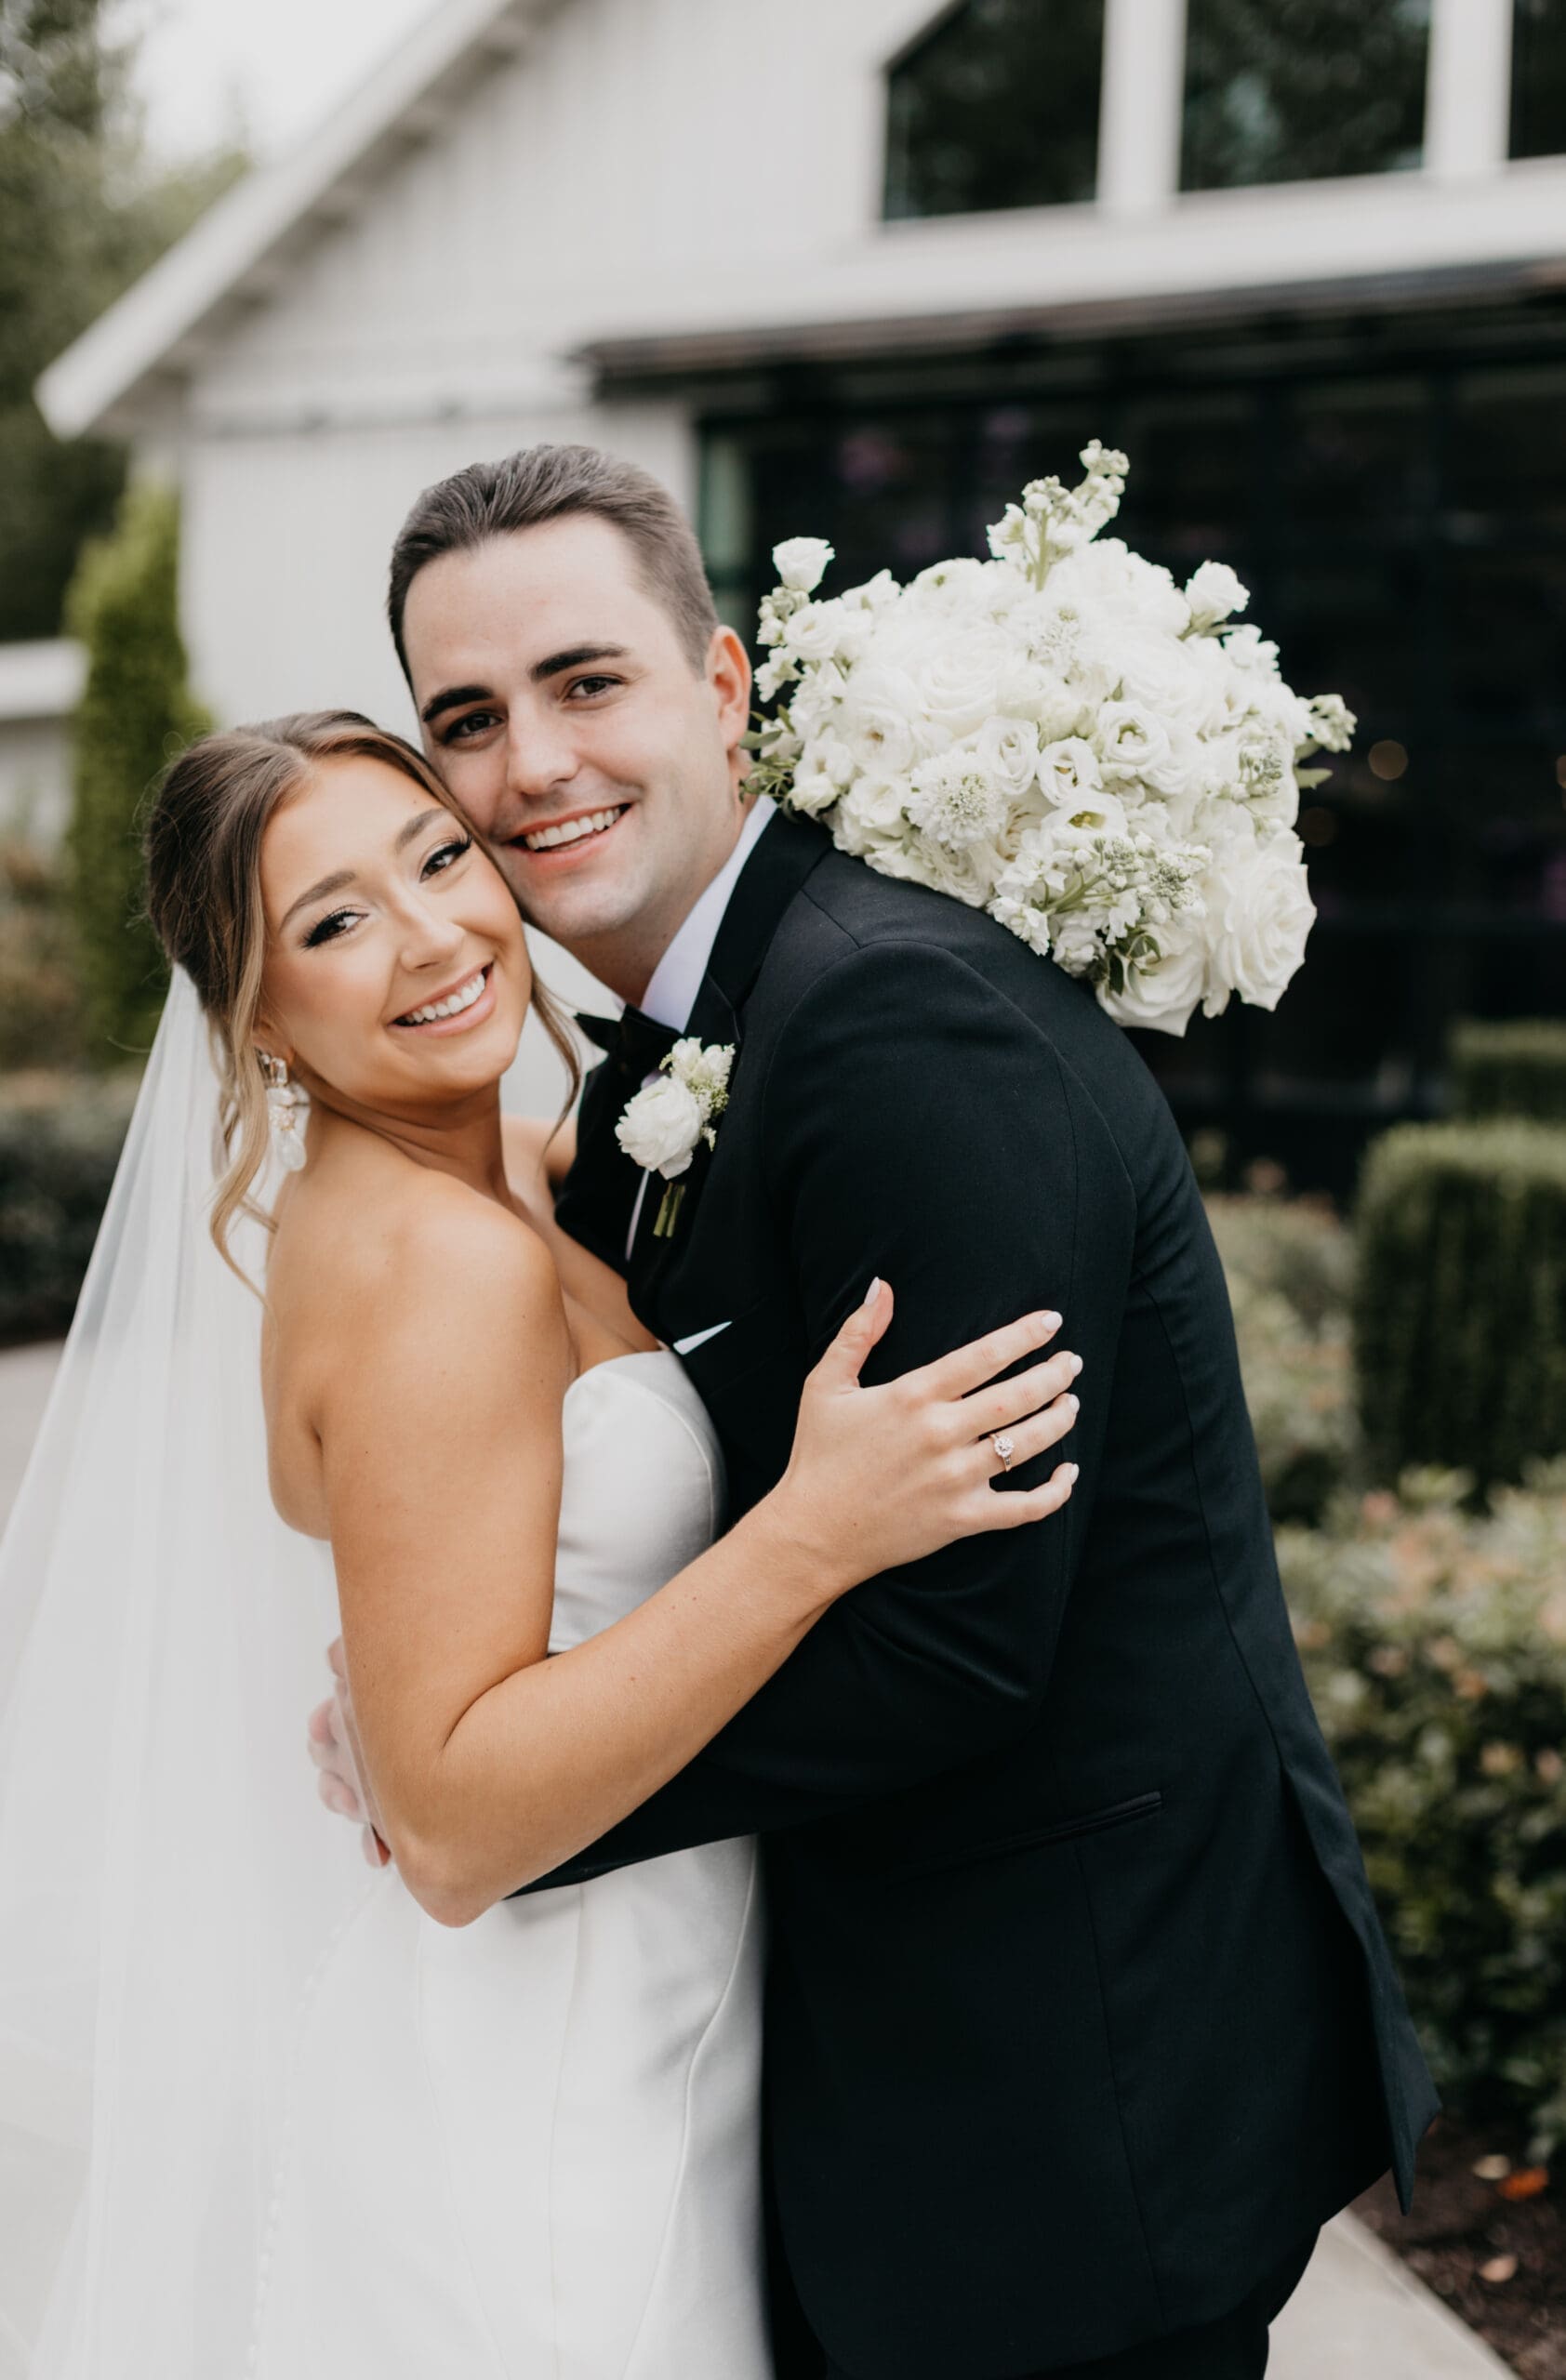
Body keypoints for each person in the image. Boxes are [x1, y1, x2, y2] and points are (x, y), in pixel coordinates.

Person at [311, 444, 1440, 2380]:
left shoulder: (897, 1021)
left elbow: (955, 1637)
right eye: (469, 719)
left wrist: (490, 1793)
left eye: (586, 683)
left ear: (721, 687)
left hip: (1066, 2093)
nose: (531, 765)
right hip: (899, 2072)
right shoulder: (690, 1042)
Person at [0, 707, 1078, 2375]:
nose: (433, 935)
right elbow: (447, 1830)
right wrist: (812, 1531)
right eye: (335, 923)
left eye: (440, 858)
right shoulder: (439, 1264)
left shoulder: (512, 1169)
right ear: (258, 1017)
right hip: (544, 2089)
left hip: (635, 2014)